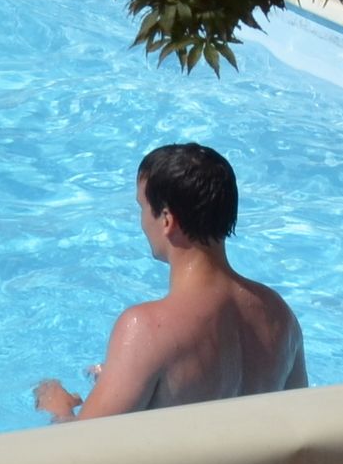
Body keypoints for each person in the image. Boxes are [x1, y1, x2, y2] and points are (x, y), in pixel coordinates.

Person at [33, 143, 307, 422]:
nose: (141, 221)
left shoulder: (145, 329)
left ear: (167, 220)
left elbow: (80, 450)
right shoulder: (280, 316)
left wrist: (59, 407)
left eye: (142, 207)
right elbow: (299, 424)